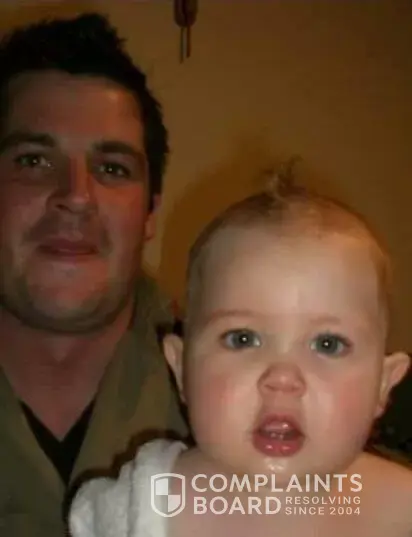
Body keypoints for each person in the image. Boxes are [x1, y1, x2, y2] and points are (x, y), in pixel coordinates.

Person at [69, 173, 412, 536]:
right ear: (181, 368)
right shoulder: (135, 506)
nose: (282, 378)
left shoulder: (401, 510)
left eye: (328, 344)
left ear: (383, 384)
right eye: (243, 339)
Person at [0, 12, 187, 537]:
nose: (76, 196)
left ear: (149, 214)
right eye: (34, 161)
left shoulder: (255, 404)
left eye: (112, 169)